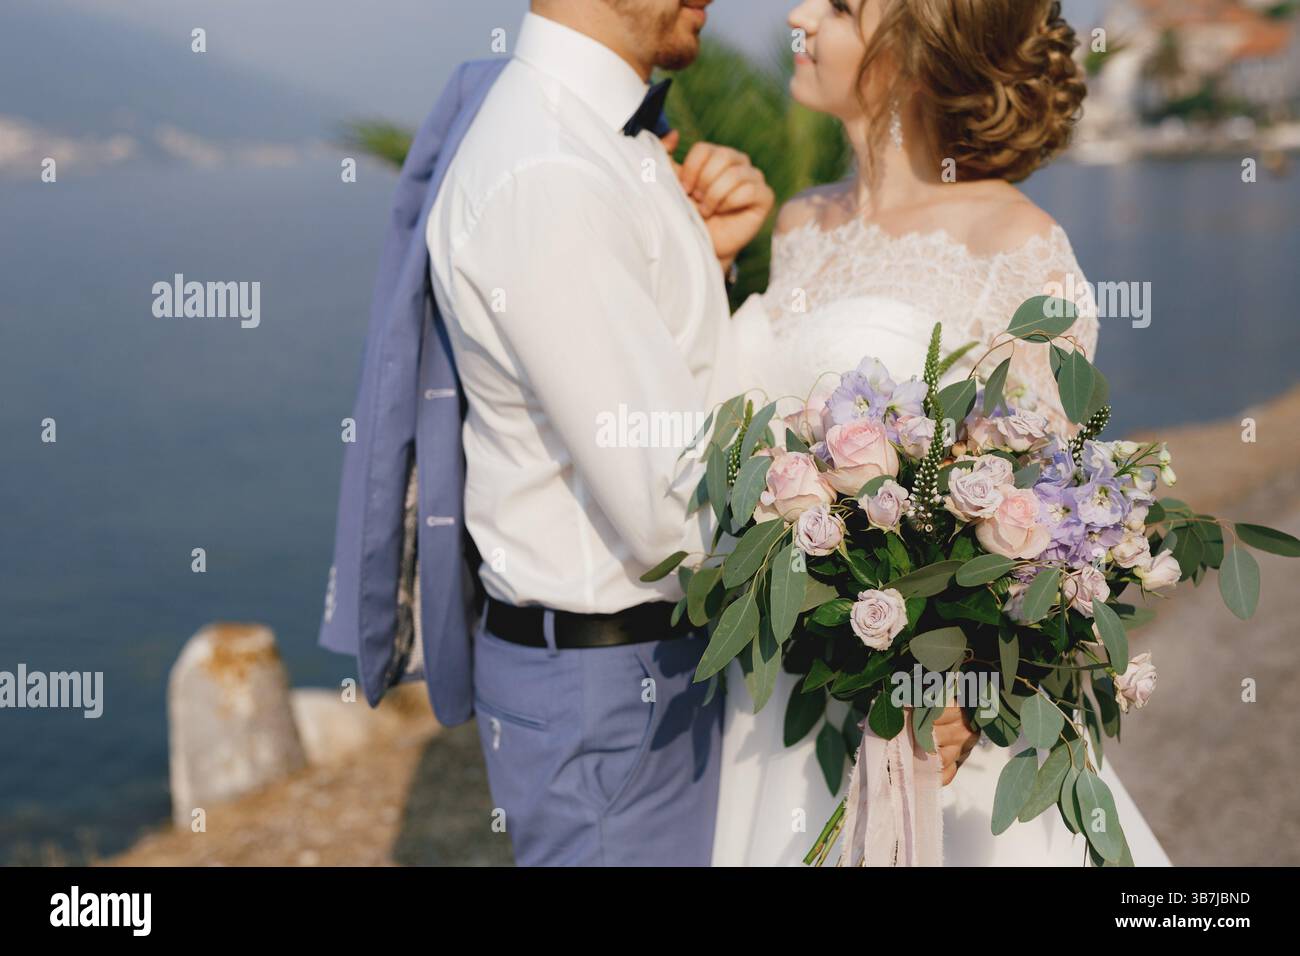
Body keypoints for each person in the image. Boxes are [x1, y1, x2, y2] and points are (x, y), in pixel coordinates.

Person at [706, 0, 1172, 866]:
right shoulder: (800, 226)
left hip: (935, 717)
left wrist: (963, 681)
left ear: (920, 50)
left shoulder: (1017, 243)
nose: (799, 15)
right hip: (782, 695)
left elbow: (1053, 525)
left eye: (841, 6)